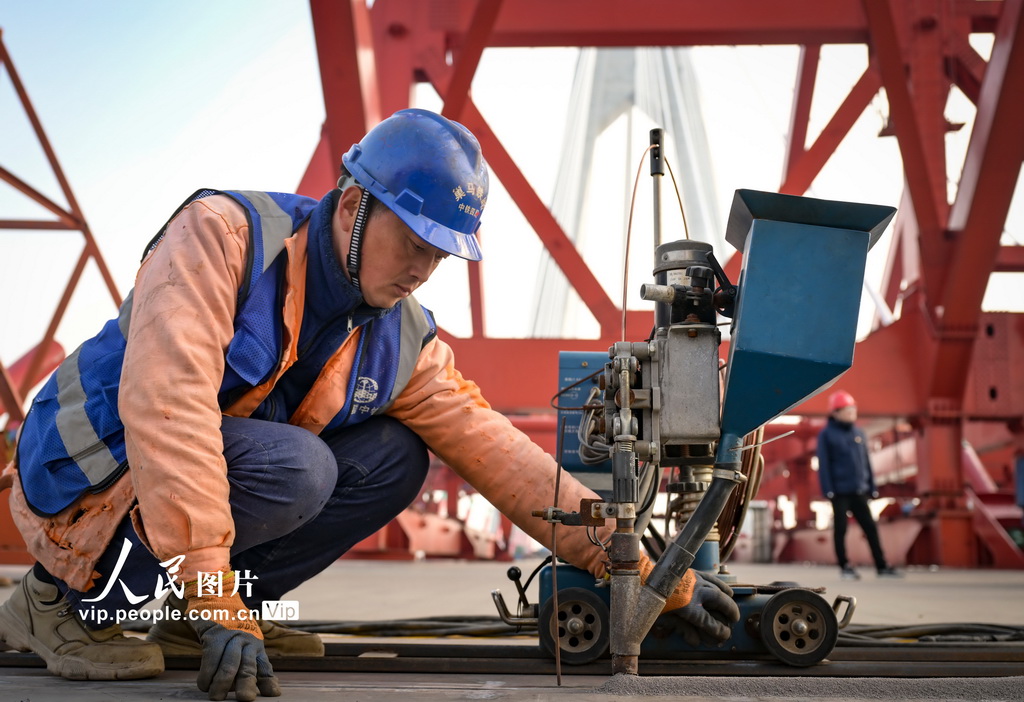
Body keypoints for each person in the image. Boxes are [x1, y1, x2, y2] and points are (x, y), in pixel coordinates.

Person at [0, 109, 739, 700]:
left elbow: (504, 460)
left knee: (394, 457)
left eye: (441, 254)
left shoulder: (401, 337)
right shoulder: (224, 239)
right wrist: (211, 593)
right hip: (80, 473)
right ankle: (53, 602)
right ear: (354, 205)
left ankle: (193, 623)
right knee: (299, 469)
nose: (423, 268)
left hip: (177, 491)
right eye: (414, 241)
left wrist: (651, 573)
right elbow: (169, 410)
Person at [816, 390, 901, 580]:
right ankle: (845, 566)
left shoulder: (859, 433)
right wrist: (828, 490)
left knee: (870, 527)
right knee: (841, 529)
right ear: (836, 412)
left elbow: (866, 462)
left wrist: (872, 486)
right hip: (839, 492)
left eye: (853, 409)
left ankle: (882, 566)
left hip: (859, 490)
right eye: (847, 409)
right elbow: (824, 464)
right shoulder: (826, 435)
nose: (852, 412)